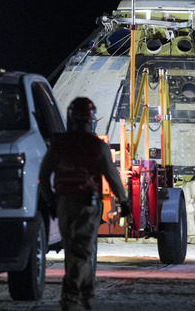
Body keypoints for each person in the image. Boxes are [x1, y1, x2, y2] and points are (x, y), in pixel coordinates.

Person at [39, 97, 131, 311]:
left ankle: (88, 298)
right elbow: (112, 177)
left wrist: (51, 200)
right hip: (87, 206)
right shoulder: (97, 146)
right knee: (82, 252)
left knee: (74, 251)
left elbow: (44, 176)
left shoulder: (58, 144)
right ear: (91, 119)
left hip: (63, 204)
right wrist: (123, 201)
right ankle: (70, 300)